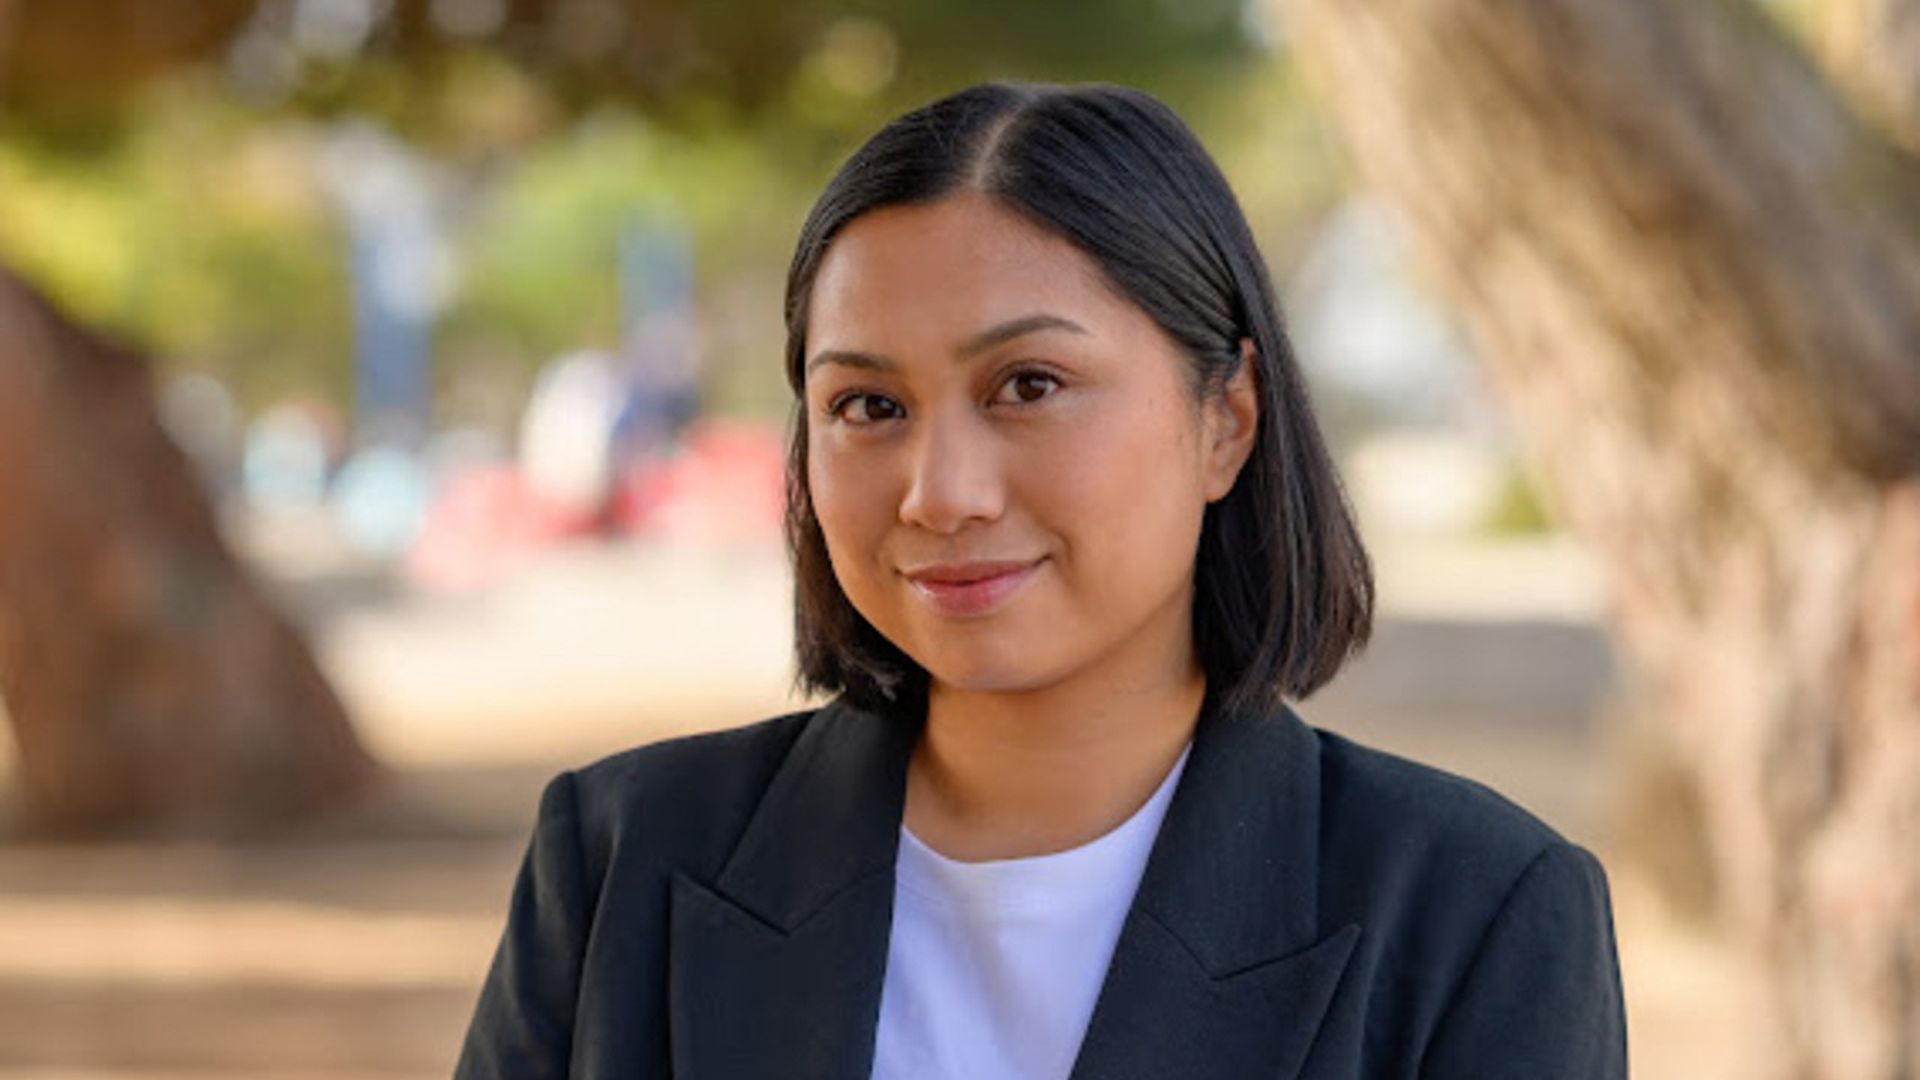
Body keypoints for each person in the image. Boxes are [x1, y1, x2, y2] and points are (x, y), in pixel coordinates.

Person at [453, 81, 1628, 1080]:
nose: (940, 492)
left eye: (1029, 385)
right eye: (868, 406)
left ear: (1226, 418)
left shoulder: (1476, 909)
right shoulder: (622, 863)